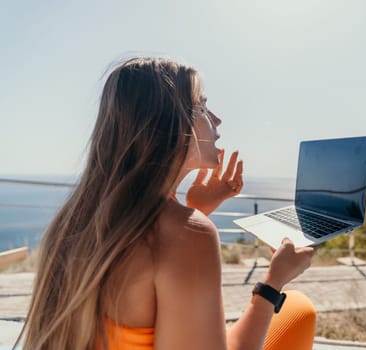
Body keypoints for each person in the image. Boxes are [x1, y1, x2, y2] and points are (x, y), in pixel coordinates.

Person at [18, 57, 316, 350]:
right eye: (202, 106)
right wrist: (274, 281)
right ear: (167, 126)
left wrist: (195, 209)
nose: (216, 119)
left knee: (298, 310)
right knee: (300, 309)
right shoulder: (188, 234)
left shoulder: (77, 217)